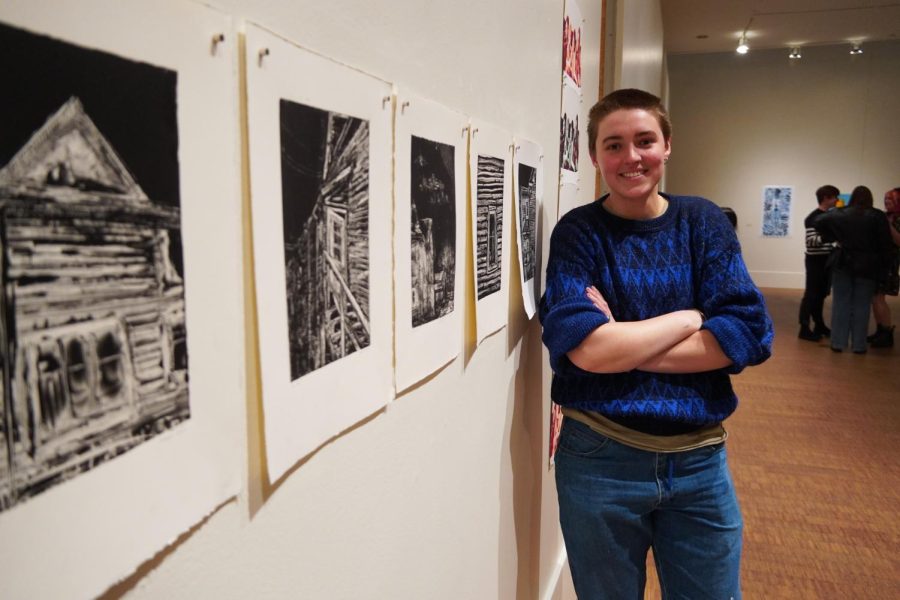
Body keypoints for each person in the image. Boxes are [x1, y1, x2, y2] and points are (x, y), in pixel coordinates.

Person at [539, 88, 773, 599]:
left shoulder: (703, 222)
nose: (631, 157)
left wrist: (622, 340)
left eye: (644, 140)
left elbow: (746, 334)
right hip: (600, 457)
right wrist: (690, 317)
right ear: (595, 155)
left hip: (699, 459)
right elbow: (586, 351)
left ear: (667, 145)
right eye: (614, 145)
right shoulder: (578, 233)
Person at [814, 185, 894, 354]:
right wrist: (884, 268)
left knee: (840, 304)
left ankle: (837, 343)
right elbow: (885, 246)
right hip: (868, 266)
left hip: (843, 263)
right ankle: (859, 345)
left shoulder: (840, 213)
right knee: (862, 306)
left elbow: (818, 221)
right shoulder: (877, 215)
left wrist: (834, 236)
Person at [798, 185, 839, 341]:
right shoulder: (813, 218)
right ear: (826, 198)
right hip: (815, 260)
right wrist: (831, 236)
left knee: (820, 294)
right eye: (835, 197)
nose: (837, 200)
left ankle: (819, 325)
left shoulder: (826, 217)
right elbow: (811, 242)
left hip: (825, 260)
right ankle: (804, 327)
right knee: (811, 294)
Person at [868, 187, 900, 347]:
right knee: (875, 298)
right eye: (886, 200)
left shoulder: (897, 220)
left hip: (889, 264)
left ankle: (887, 333)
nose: (887, 203)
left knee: (879, 298)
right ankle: (880, 330)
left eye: (891, 200)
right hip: (878, 262)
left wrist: (888, 226)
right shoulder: (884, 216)